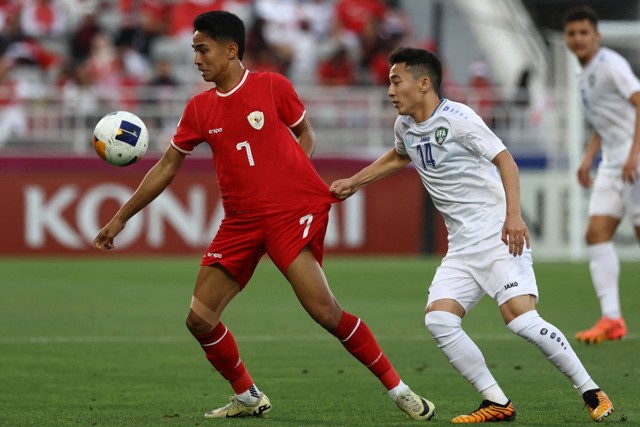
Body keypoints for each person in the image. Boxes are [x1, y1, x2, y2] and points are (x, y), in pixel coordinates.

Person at [93, 11, 435, 421]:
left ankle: (401, 391)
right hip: (239, 222)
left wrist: (290, 177)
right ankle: (248, 395)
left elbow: (305, 133)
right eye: (194, 51)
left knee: (325, 312)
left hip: (287, 216)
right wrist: (122, 217)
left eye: (203, 49)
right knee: (199, 321)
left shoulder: (272, 86)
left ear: (231, 49)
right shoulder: (199, 109)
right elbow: (167, 166)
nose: (197, 59)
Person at [329, 47, 614, 423]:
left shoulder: (460, 119)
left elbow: (505, 160)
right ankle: (496, 401)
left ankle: (591, 390)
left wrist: (514, 216)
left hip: (497, 234)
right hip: (461, 246)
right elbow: (400, 156)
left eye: (396, 81)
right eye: (389, 83)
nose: (390, 91)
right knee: (439, 320)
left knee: (521, 320)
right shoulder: (405, 127)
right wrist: (355, 181)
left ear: (424, 82)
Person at [562, 5, 639, 345]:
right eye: (572, 33)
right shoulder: (586, 73)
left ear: (597, 36)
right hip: (611, 162)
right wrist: (588, 157)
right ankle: (612, 319)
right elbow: (603, 118)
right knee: (596, 234)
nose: (577, 39)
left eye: (583, 33)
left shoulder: (611, 65)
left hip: (633, 159)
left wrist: (634, 153)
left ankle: (612, 318)